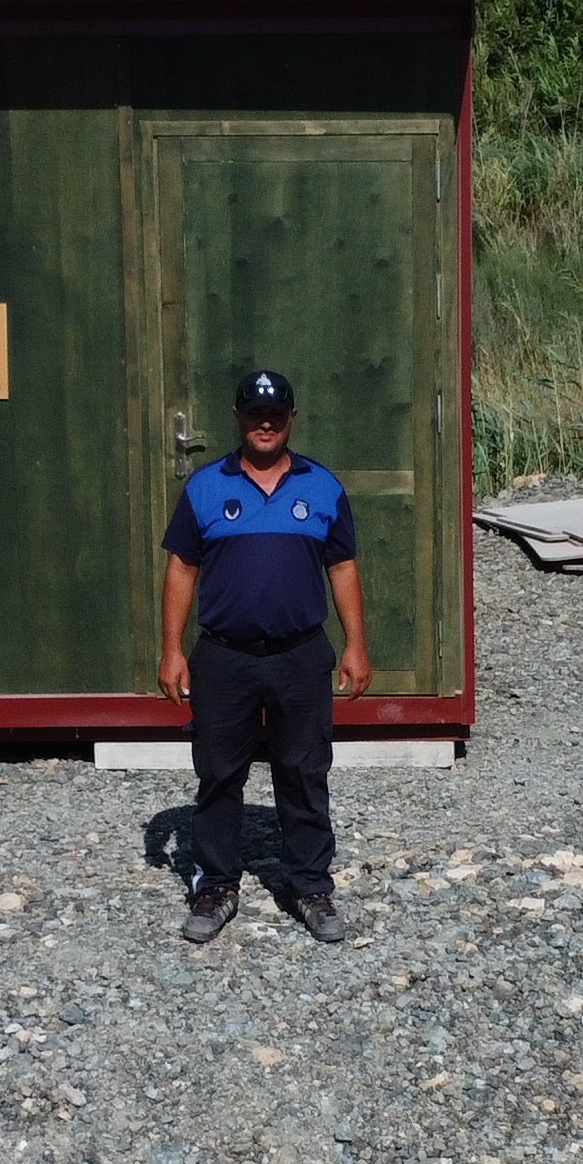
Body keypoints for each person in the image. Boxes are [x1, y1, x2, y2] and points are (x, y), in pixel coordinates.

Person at [158, 369, 371, 944]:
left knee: (303, 772)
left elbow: (343, 567)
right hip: (223, 659)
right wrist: (171, 649)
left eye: (275, 413)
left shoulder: (321, 487)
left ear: (292, 419)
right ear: (238, 417)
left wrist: (355, 645)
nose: (265, 422)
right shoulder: (206, 487)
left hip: (301, 656)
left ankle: (309, 886)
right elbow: (181, 567)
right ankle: (216, 886)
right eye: (254, 412)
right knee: (218, 774)